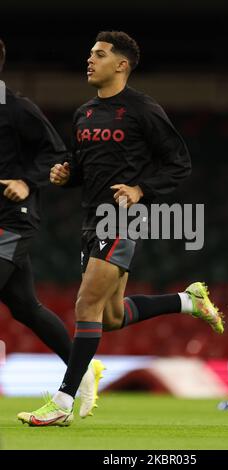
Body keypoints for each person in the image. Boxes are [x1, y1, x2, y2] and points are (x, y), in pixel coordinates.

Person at [18, 31, 224, 427]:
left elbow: (178, 163)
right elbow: (85, 167)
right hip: (91, 219)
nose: (90, 61)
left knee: (85, 306)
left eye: (99, 54)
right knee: (109, 315)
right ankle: (187, 300)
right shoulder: (84, 113)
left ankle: (63, 402)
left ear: (122, 64)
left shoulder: (143, 110)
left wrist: (140, 189)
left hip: (124, 217)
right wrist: (66, 173)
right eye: (90, 54)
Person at [0, 38, 104, 421]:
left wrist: (26, 181)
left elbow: (58, 155)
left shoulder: (17, 108)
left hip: (12, 218)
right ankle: (83, 366)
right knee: (25, 307)